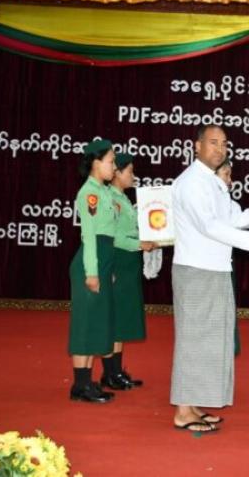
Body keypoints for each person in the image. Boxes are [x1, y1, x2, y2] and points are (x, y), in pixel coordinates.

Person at [170, 125, 249, 433]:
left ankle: (192, 404)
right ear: (197, 146)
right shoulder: (191, 182)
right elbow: (208, 226)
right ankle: (182, 411)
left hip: (214, 268)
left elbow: (232, 219)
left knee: (207, 340)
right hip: (196, 270)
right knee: (193, 340)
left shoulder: (213, 182)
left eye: (224, 144)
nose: (220, 149)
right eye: (213, 143)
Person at [100, 152, 158, 391]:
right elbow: (113, 236)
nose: (133, 176)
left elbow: (130, 230)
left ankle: (116, 372)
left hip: (128, 262)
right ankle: (109, 374)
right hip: (118, 260)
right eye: (130, 171)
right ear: (117, 173)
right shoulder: (109, 199)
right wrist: (140, 244)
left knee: (122, 320)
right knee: (114, 320)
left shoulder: (123, 198)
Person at [68, 139, 118, 403]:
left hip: (102, 263)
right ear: (96, 163)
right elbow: (89, 236)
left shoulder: (105, 192)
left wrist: (107, 270)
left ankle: (86, 382)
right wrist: (92, 272)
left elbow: (109, 236)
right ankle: (80, 386)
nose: (114, 167)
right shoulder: (89, 193)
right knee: (85, 325)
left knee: (94, 323)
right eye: (111, 161)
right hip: (90, 264)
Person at [214, 158, 242, 356]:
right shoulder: (201, 202)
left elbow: (239, 224)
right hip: (203, 270)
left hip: (225, 267)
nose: (230, 181)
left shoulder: (233, 205)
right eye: (226, 174)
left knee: (226, 315)